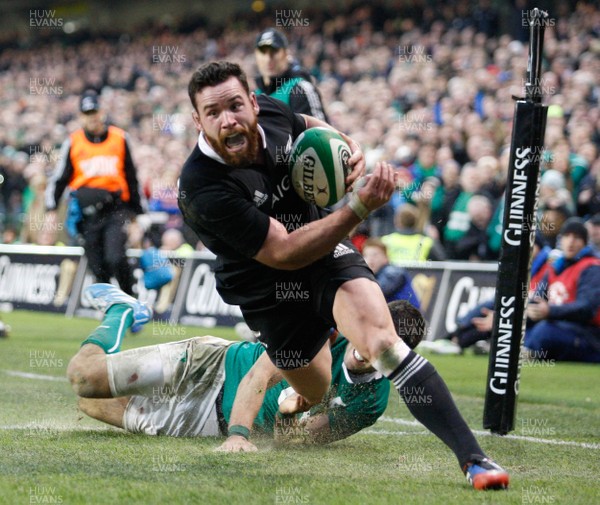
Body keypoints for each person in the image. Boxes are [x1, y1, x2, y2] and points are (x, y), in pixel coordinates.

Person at [177, 61, 509, 490]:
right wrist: (358, 209)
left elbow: (310, 123)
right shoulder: (201, 186)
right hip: (265, 288)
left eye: (236, 105)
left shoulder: (274, 115)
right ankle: (297, 399)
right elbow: (283, 252)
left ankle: (474, 459)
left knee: (384, 343)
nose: (229, 119)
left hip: (323, 252)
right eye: (214, 112)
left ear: (253, 103)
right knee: (314, 390)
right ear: (197, 120)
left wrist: (348, 148)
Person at [67, 284, 425, 443]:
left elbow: (304, 438)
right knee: (84, 379)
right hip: (212, 364)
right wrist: (240, 436)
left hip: (207, 421)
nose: (369, 350)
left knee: (90, 403)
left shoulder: (371, 404)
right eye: (372, 337)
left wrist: (288, 418)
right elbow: (261, 372)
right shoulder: (329, 332)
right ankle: (122, 311)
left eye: (386, 350)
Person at [45, 90, 144, 295]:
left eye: (95, 112)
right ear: (81, 116)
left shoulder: (119, 138)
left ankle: (129, 298)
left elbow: (132, 178)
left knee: (115, 257)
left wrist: (139, 216)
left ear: (102, 113)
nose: (92, 117)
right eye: (87, 113)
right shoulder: (73, 142)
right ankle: (110, 313)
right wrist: (51, 210)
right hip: (87, 216)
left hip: (116, 210)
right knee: (98, 266)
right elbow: (59, 179)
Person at [525, 218, 600, 363]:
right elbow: (536, 301)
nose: (571, 242)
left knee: (544, 331)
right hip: (559, 326)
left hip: (588, 334)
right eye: (567, 236)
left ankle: (527, 353)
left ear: (585, 243)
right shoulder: (554, 268)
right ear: (561, 240)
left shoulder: (593, 268)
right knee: (519, 326)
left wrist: (550, 311)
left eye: (577, 237)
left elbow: (586, 308)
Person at [254, 28, 328, 121]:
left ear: (286, 53)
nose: (268, 59)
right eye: (263, 52)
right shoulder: (255, 95)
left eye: (274, 52)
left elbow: (320, 133)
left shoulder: (300, 89)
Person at [361, 238, 420, 308]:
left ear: (386, 257)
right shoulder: (373, 274)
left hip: (406, 316)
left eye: (375, 255)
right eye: (366, 255)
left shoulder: (394, 273)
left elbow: (376, 293)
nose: (370, 259)